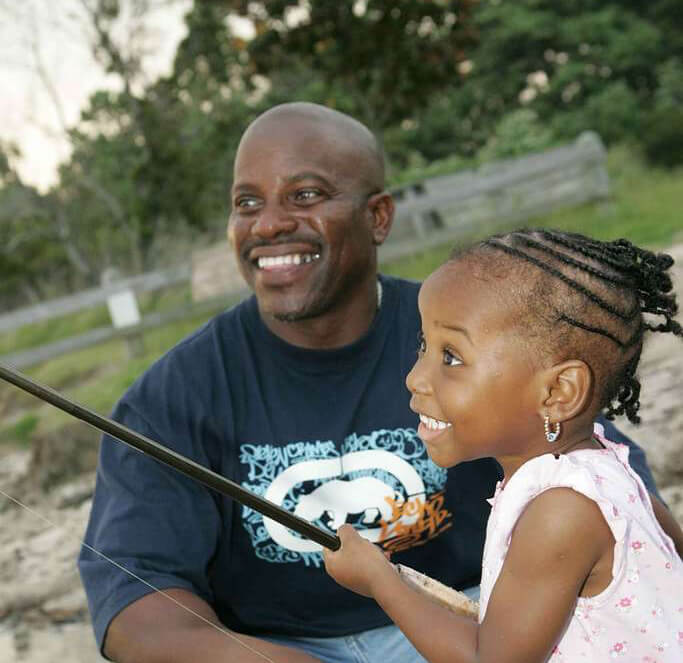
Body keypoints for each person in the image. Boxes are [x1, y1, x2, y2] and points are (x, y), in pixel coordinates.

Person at [78, 103, 664, 663]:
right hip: (275, 649)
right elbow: (134, 604)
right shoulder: (169, 396)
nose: (270, 223)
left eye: (305, 195)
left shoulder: (481, 332)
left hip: (477, 622)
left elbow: (621, 505)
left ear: (378, 216)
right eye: (246, 202)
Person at [323, 228, 683, 663]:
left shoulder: (561, 511)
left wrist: (381, 581)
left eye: (451, 357)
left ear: (558, 392)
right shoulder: (606, 470)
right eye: (423, 346)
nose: (415, 378)